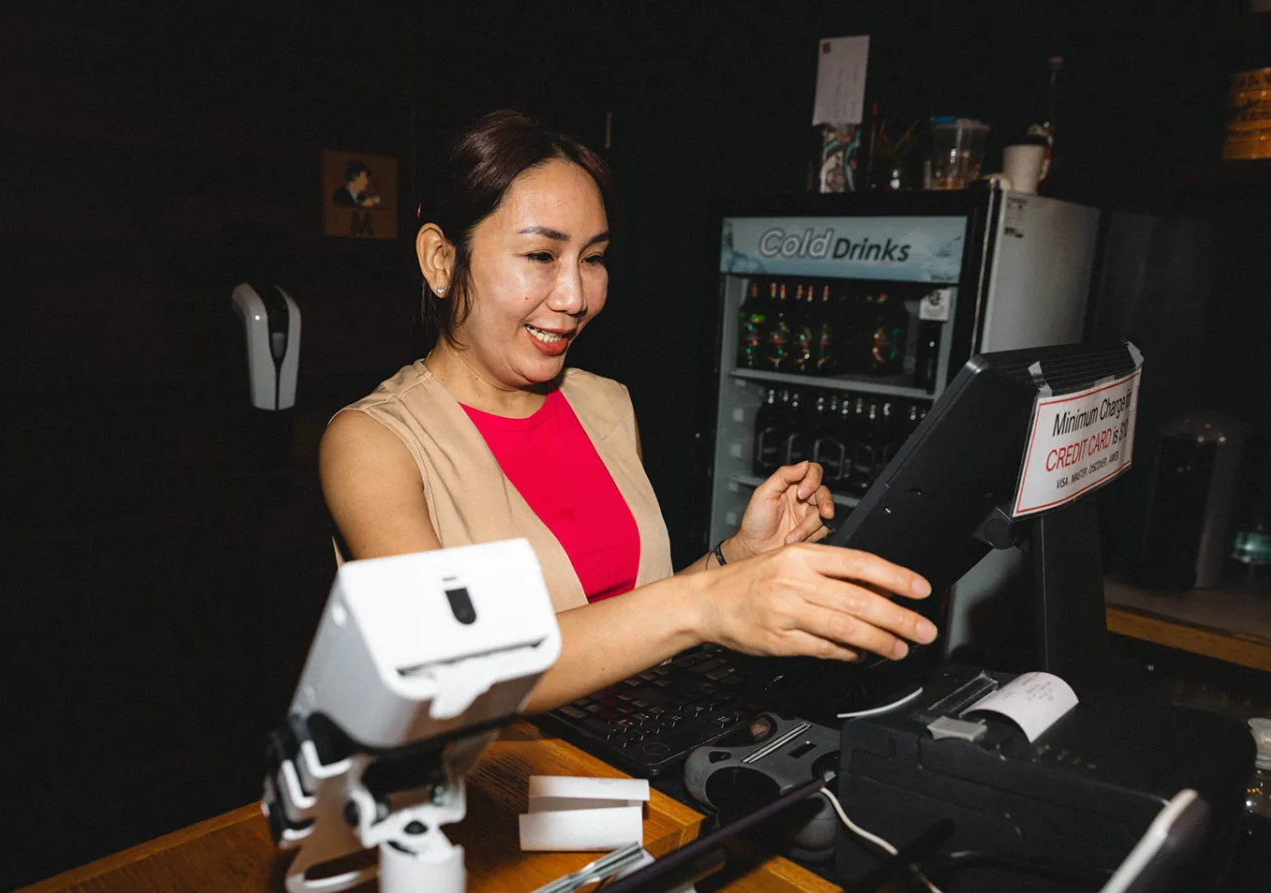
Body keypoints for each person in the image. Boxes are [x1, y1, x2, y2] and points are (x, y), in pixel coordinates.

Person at [321, 110, 936, 714]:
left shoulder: (603, 403)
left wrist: (734, 561)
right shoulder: (373, 443)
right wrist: (710, 601)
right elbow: (460, 672)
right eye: (541, 256)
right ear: (440, 261)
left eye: (592, 258)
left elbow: (628, 619)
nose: (574, 297)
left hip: (621, 766)